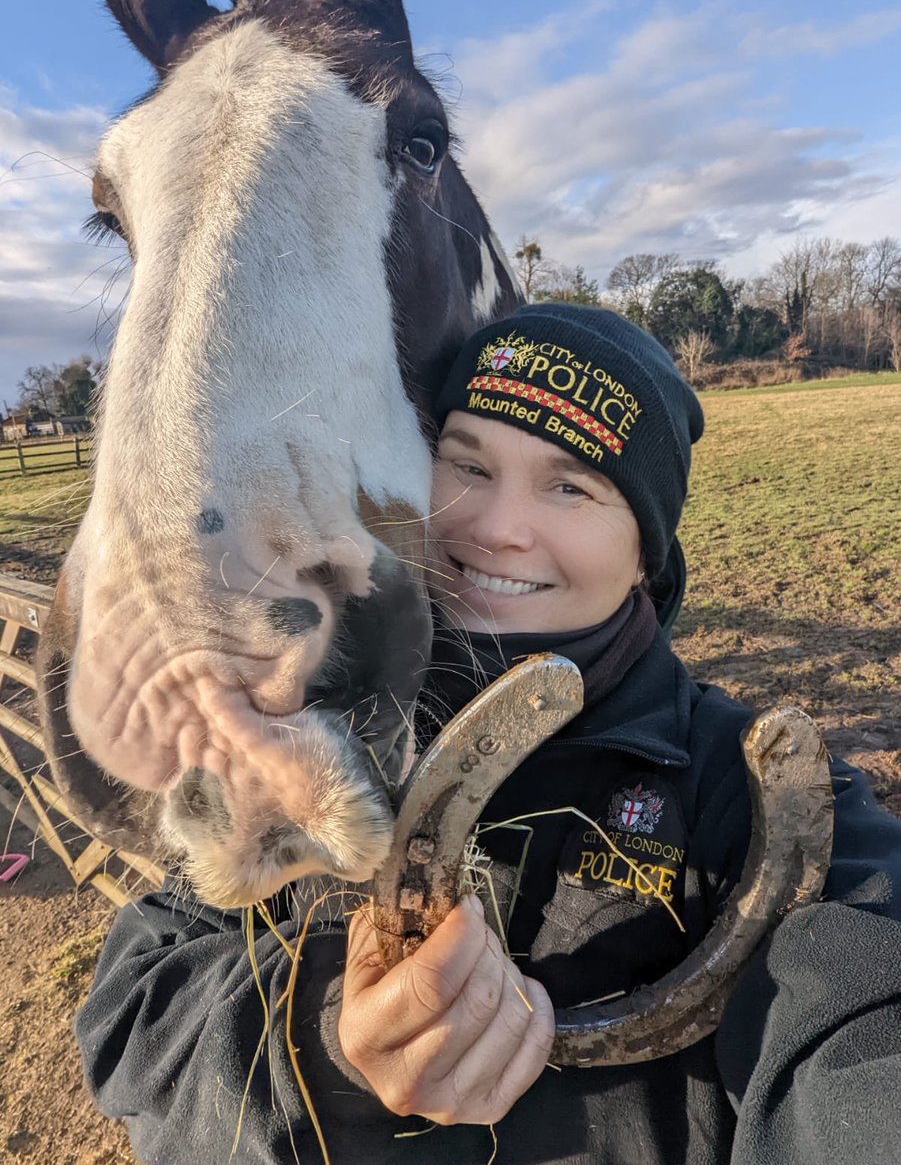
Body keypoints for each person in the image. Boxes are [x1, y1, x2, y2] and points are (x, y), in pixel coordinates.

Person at [76, 305, 901, 1165]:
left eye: (571, 484)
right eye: (465, 464)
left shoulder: (757, 800)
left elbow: (858, 1035)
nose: (495, 525)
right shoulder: (304, 740)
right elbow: (132, 1019)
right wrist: (323, 1047)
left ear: (645, 553)